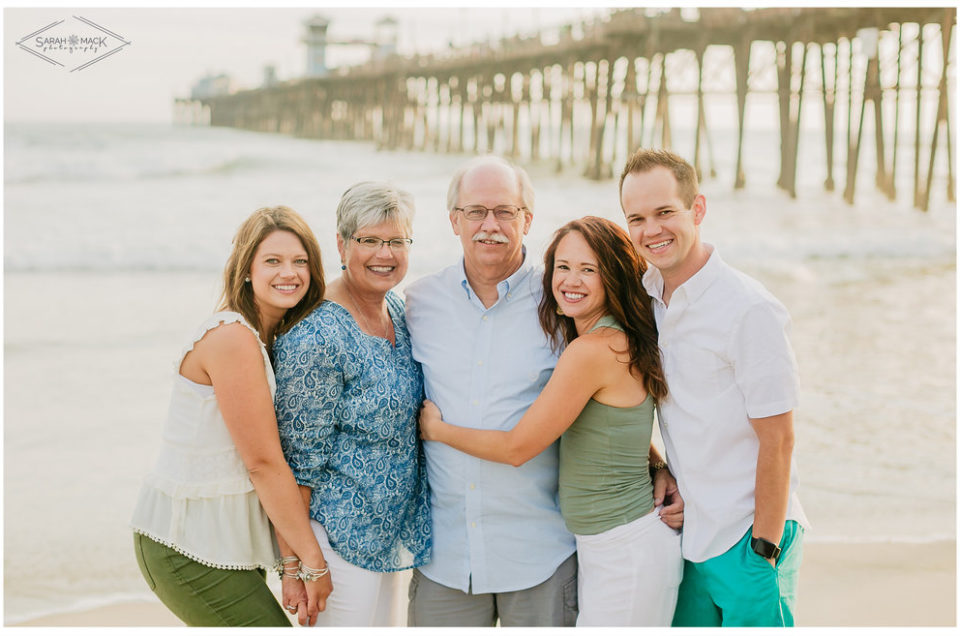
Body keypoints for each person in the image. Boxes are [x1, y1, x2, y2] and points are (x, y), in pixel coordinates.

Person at [404, 155, 683, 627]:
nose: (489, 225)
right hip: (445, 554)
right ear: (453, 220)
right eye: (475, 211)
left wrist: (655, 463)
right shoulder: (418, 302)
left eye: (505, 212)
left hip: (540, 555)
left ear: (527, 219)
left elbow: (602, 400)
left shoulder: (560, 303)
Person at [618, 148, 810, 627]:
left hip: (751, 537)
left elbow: (780, 438)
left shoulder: (749, 310)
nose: (651, 230)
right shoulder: (646, 300)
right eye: (637, 218)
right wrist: (660, 467)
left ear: (697, 209)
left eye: (665, 212)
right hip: (693, 538)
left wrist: (763, 548)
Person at [131, 205, 332, 627]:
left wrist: (290, 567)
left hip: (225, 541)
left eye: (300, 262)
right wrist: (314, 564)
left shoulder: (270, 338)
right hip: (184, 545)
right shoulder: (232, 338)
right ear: (246, 270)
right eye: (272, 261)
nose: (289, 273)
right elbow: (263, 464)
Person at [273, 182, 431, 627]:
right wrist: (298, 566)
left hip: (388, 536)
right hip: (333, 543)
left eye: (397, 241)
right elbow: (295, 464)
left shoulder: (396, 310)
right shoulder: (316, 336)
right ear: (341, 244)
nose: (385, 253)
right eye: (370, 240)